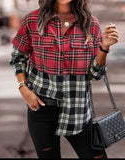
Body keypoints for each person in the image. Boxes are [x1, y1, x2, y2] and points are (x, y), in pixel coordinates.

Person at [9, 0, 119, 158]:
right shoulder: (33, 20)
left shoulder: (91, 24)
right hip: (41, 109)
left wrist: (104, 47)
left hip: (78, 111)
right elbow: (18, 56)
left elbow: (95, 74)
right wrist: (23, 88)